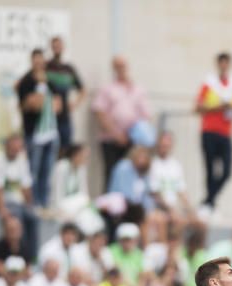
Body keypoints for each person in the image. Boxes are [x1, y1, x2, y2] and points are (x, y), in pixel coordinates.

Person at [195, 53, 232, 213]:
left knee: (226, 171)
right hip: (209, 130)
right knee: (210, 169)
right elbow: (199, 106)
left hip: (225, 133)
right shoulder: (209, 83)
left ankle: (209, 200)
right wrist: (219, 106)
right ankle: (209, 201)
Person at [92, 56, 151, 188]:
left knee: (131, 174)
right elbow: (99, 112)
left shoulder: (137, 89)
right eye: (118, 66)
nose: (121, 69)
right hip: (111, 140)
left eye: (123, 66)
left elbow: (146, 115)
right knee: (111, 174)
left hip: (132, 140)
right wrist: (116, 135)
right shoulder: (107, 89)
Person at [0, 134, 39, 262]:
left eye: (18, 149)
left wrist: (30, 206)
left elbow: (26, 186)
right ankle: (20, 255)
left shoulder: (21, 160)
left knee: (32, 217)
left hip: (14, 203)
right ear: (6, 147)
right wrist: (2, 209)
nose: (15, 151)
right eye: (13, 148)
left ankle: (33, 256)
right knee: (17, 216)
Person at [16, 49, 62, 206]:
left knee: (47, 171)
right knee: (33, 171)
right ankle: (32, 202)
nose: (39, 63)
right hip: (34, 133)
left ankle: (44, 201)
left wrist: (44, 100)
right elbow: (33, 106)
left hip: (50, 132)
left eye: (41, 60)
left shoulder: (50, 81)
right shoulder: (27, 81)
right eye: (36, 60)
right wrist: (41, 89)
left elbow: (57, 106)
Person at [46, 36, 85, 149]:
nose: (57, 48)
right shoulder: (46, 67)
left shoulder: (68, 69)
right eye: (54, 46)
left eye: (59, 46)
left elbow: (82, 89)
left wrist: (75, 103)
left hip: (65, 118)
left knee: (65, 149)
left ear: (63, 47)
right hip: (49, 117)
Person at [149, 130, 191, 220]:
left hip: (174, 208)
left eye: (167, 145)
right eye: (163, 145)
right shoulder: (152, 164)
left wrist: (190, 210)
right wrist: (170, 210)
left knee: (199, 224)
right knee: (176, 221)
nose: (165, 147)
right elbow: (154, 193)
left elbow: (181, 190)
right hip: (158, 208)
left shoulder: (176, 165)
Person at [108, 145, 154, 211]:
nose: (142, 161)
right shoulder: (124, 167)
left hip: (137, 211)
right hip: (120, 206)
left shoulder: (144, 175)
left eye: (145, 158)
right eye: (140, 157)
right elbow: (125, 194)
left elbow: (147, 197)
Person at [0, 214, 31, 281]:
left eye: (16, 229)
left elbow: (27, 271)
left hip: (19, 285)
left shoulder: (25, 247)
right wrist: (16, 276)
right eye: (11, 229)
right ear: (5, 230)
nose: (14, 233)